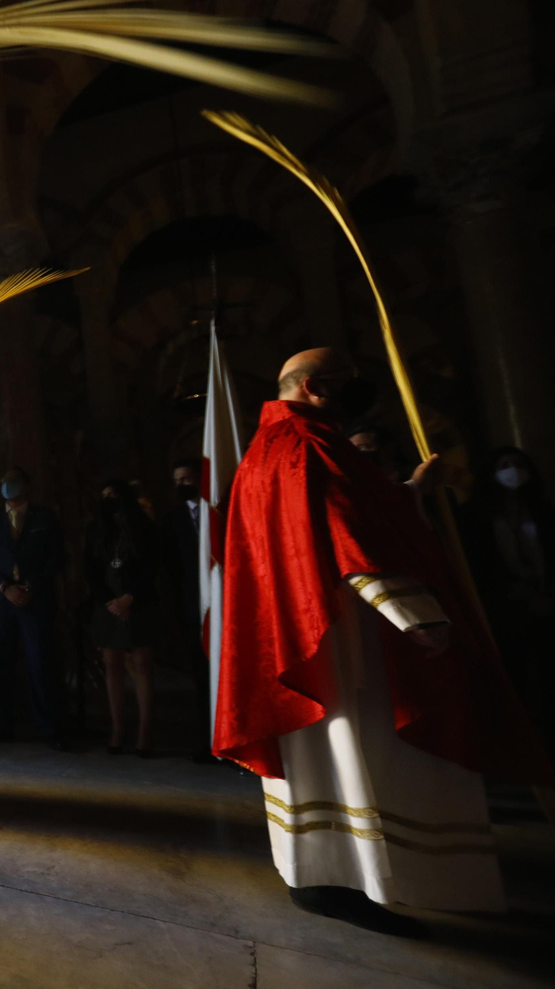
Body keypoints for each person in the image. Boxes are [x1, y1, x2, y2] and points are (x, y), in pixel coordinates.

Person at [217, 348, 550, 937]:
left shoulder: (270, 448)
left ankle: (318, 874)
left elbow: (352, 511)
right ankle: (352, 877)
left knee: (325, 758)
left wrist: (412, 491)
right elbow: (348, 528)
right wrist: (413, 612)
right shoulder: (306, 444)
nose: (355, 400)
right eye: (347, 387)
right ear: (317, 387)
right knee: (353, 754)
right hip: (346, 638)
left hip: (308, 634)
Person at [464, 446, 555, 754]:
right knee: (512, 672)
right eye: (505, 465)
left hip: (545, 602)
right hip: (503, 607)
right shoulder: (477, 517)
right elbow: (479, 562)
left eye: (518, 464)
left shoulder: (542, 511)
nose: (513, 470)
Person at [0, 467, 66, 747]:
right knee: (1, 665)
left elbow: (57, 557)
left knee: (41, 664)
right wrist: (4, 587)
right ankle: (3, 725)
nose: (8, 485)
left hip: (35, 601)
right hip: (0, 603)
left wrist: (31, 585)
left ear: (26, 484)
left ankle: (50, 728)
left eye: (13, 480)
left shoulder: (45, 518)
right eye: (4, 480)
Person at [86, 480, 161, 756]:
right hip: (107, 605)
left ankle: (145, 731)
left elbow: (152, 566)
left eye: (113, 495)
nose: (108, 500)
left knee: (141, 664)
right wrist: (109, 601)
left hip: (139, 603)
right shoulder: (96, 530)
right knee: (112, 664)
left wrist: (130, 597)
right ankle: (117, 729)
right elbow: (91, 569)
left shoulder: (144, 528)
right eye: (104, 495)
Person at [161, 459, 211, 760]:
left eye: (187, 479)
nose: (183, 485)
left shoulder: (219, 511)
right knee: (201, 676)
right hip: (192, 608)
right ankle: (206, 739)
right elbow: (169, 568)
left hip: (223, 606)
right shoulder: (173, 520)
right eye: (177, 480)